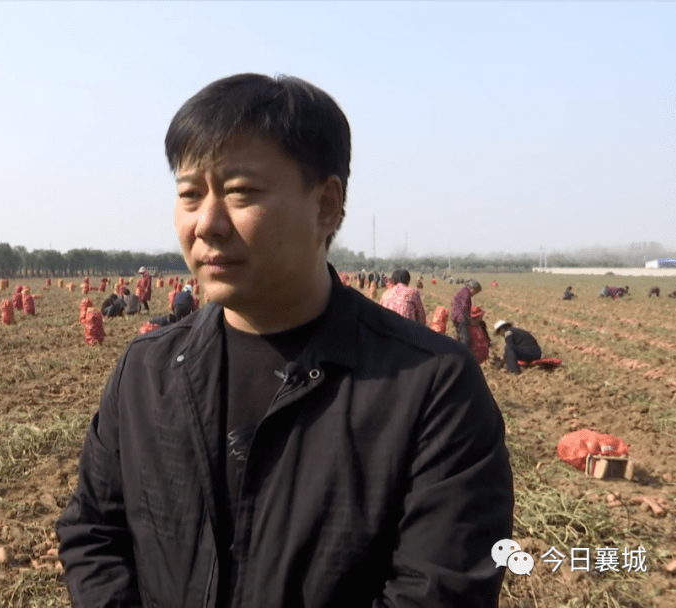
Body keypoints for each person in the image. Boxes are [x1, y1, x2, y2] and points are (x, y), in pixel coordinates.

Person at [57, 73, 512, 607]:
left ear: (326, 205)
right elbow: (92, 533)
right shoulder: (146, 370)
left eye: (240, 192)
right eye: (189, 195)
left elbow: (440, 590)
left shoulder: (432, 387)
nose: (207, 224)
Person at [450, 279, 482, 350]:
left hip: (456, 316)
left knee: (460, 337)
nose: (475, 294)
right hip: (460, 318)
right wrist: (472, 321)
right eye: (476, 292)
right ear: (472, 288)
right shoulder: (466, 294)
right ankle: (463, 355)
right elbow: (463, 310)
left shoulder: (463, 291)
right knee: (466, 340)